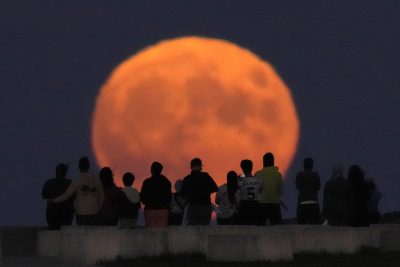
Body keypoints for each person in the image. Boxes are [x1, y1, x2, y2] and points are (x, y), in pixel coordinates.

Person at [52, 157, 104, 225]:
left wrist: (53, 200)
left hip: (81, 213)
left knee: (82, 235)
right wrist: (98, 208)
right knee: (93, 235)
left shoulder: (76, 181)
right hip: (94, 212)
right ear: (89, 166)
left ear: (79, 167)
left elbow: (66, 195)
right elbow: (102, 196)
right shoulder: (97, 181)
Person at [181, 158, 218, 225]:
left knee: (193, 229)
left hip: (192, 208)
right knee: (204, 228)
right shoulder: (205, 176)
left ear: (191, 167)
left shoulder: (187, 179)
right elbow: (215, 188)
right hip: (205, 207)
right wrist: (206, 191)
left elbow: (182, 194)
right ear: (200, 166)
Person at [41, 163, 74, 230]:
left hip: (52, 212)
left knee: (53, 232)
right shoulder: (70, 183)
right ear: (65, 172)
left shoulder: (49, 183)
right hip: (66, 213)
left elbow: (44, 195)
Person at [255, 152, 283, 225]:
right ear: (273, 162)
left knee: (260, 228)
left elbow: (256, 190)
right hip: (275, 204)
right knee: (277, 228)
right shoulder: (278, 175)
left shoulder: (258, 174)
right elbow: (281, 190)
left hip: (262, 205)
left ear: (263, 162)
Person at [140, 162, 172, 228]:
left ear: (152, 170)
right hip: (162, 210)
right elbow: (169, 197)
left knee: (151, 234)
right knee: (161, 233)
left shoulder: (147, 182)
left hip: (149, 210)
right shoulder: (166, 182)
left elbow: (142, 198)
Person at [295, 158, 321, 224]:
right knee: (315, 228)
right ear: (312, 166)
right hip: (314, 203)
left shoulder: (299, 175)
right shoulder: (316, 175)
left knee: (301, 227)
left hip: (302, 203)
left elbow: (297, 186)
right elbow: (318, 187)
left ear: (304, 165)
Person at [237, 159, 262, 225]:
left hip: (244, 206)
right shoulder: (259, 180)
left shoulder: (240, 181)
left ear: (242, 168)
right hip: (256, 206)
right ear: (252, 167)